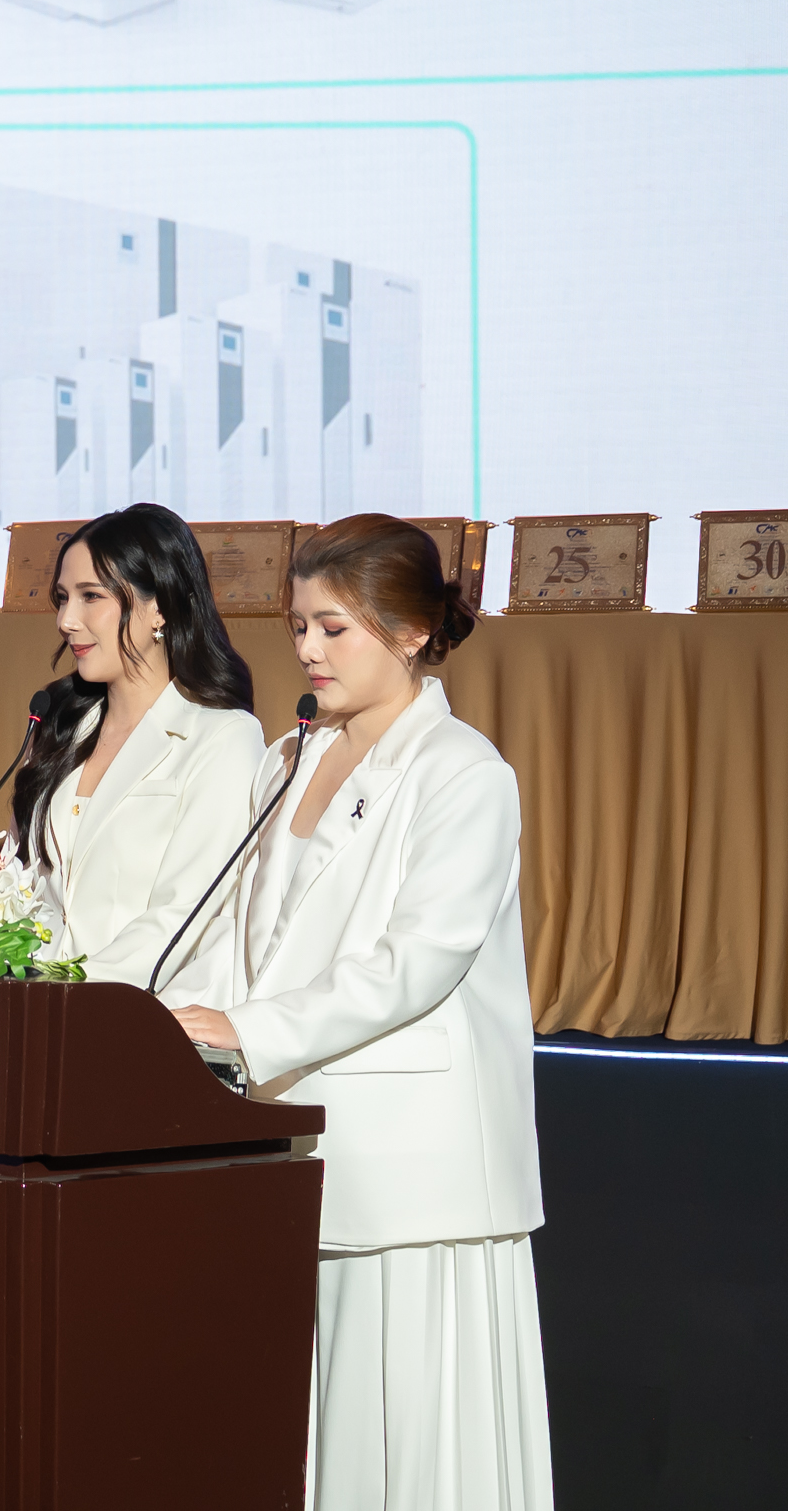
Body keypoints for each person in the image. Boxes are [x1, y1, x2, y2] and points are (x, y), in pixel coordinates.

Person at [170, 515, 552, 1510]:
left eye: (334, 628)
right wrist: (167, 1020)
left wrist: (251, 1032)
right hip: (290, 1143)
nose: (308, 648)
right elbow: (237, 931)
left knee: (413, 1447)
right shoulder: (286, 758)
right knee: (304, 1441)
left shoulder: (463, 771)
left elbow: (417, 962)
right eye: (299, 626)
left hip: (410, 1173)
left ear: (413, 631)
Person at [10, 503, 264, 985]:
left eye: (91, 596)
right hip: (28, 1002)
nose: (66, 620)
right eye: (62, 598)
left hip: (133, 1010)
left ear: (159, 607)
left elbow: (181, 916)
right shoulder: (58, 726)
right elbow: (18, 886)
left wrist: (62, 989)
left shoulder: (224, 738)